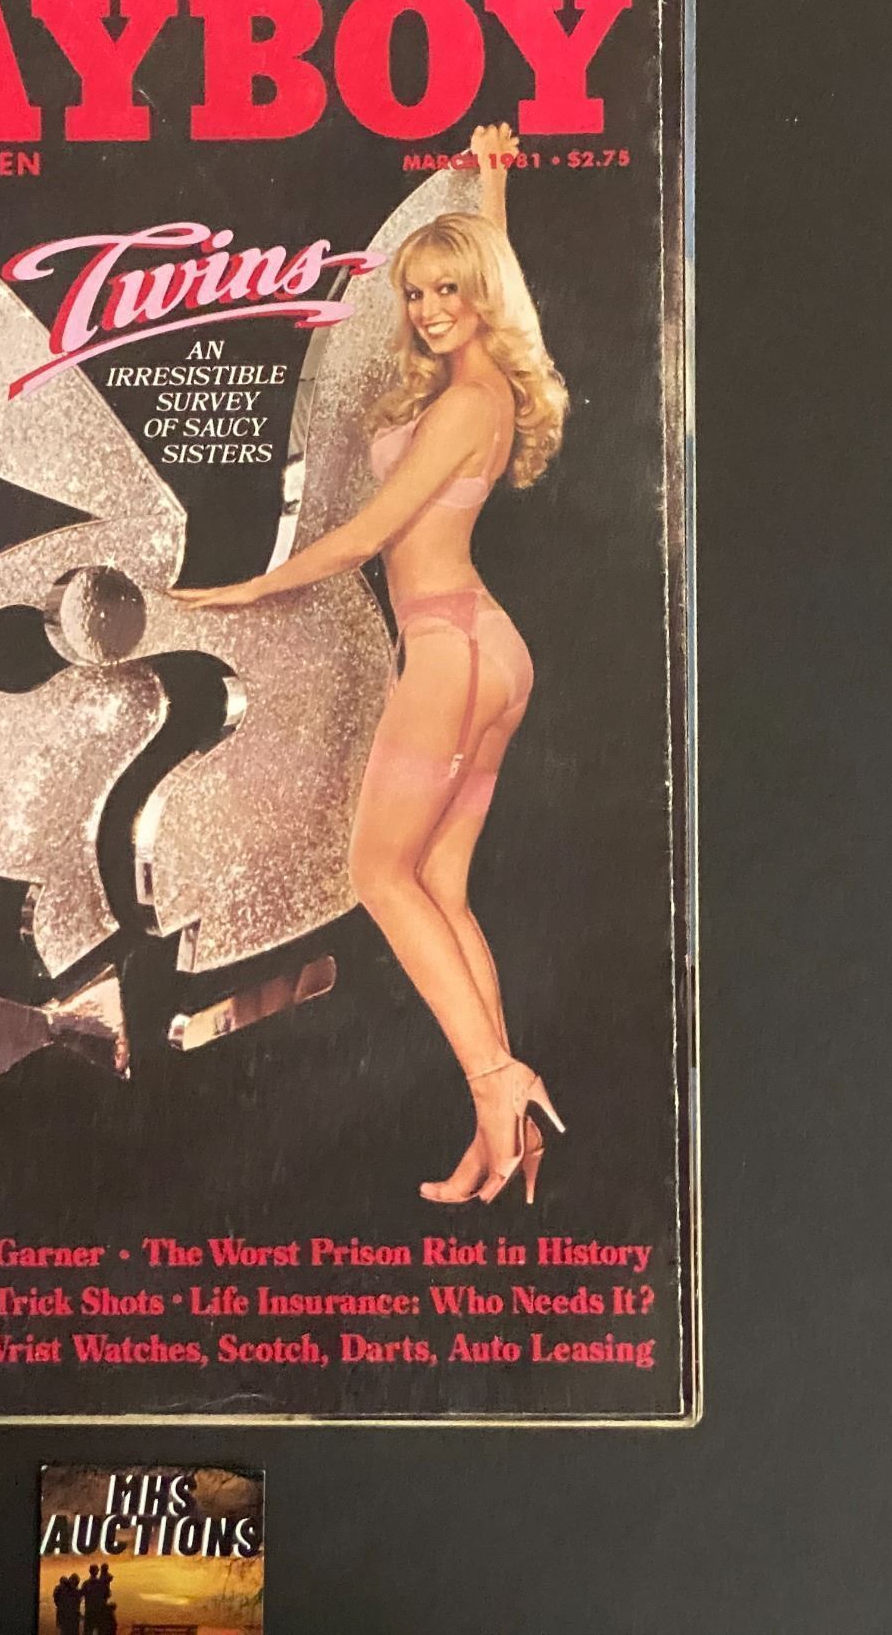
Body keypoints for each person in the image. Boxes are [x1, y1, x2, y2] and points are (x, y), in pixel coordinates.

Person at [173, 125, 566, 1204]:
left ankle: (499, 1080)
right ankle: (503, 1135)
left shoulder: (467, 404)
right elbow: (489, 273)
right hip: (487, 650)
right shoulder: (484, 385)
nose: (430, 309)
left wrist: (247, 590)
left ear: (481, 296)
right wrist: (491, 187)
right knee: (442, 888)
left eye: (449, 291)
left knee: (379, 875)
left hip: (448, 650)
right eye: (418, 293)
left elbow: (364, 536)